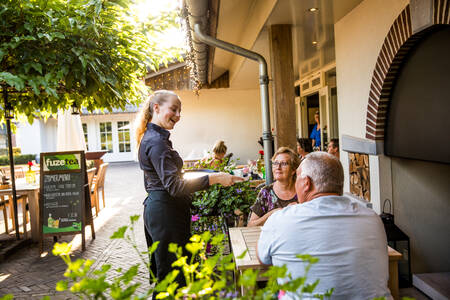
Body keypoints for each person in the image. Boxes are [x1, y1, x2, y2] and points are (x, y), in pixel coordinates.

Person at [135, 90, 242, 288]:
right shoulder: (156, 142)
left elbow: (170, 178)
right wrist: (214, 178)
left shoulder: (155, 138)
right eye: (173, 110)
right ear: (156, 108)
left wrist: (206, 174)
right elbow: (174, 186)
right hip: (165, 214)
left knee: (175, 277)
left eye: (180, 111)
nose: (177, 116)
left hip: (165, 211)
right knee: (172, 282)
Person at [257, 152, 391, 299]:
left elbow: (263, 259)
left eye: (297, 178)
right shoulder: (372, 218)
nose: (295, 183)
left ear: (306, 183)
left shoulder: (280, 220)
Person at [247, 147, 300, 227]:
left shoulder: (302, 190)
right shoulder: (266, 193)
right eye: (275, 163)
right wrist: (272, 214)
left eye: (284, 163)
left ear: (293, 170)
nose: (278, 167)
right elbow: (250, 225)